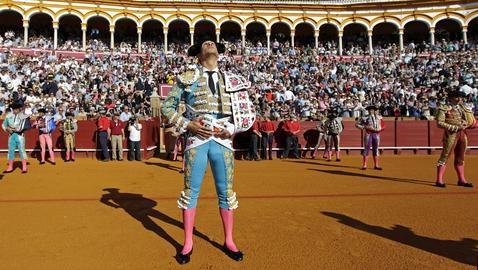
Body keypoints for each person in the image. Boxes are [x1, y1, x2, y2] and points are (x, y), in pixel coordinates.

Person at [161, 39, 254, 264]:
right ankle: (188, 242)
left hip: (223, 141)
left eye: (213, 42)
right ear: (199, 54)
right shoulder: (187, 78)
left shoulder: (233, 80)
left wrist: (231, 128)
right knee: (190, 192)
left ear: (219, 53)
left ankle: (229, 240)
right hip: (196, 139)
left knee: (226, 192)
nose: (210, 43)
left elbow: (247, 113)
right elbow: (166, 107)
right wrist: (189, 125)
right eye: (205, 43)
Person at [435, 91, 476, 188]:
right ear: (451, 98)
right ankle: (439, 180)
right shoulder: (443, 108)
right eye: (457, 97)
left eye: (461, 97)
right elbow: (439, 123)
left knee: (460, 157)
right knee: (445, 156)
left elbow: (470, 121)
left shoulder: (463, 108)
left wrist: (467, 124)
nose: (460, 99)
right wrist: (454, 128)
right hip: (451, 134)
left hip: (462, 134)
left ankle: (462, 180)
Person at [2, 103, 30, 173]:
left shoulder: (23, 116)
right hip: (11, 136)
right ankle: (10, 167)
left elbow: (25, 127)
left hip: (20, 136)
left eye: (17, 109)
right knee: (11, 150)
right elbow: (3, 125)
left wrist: (13, 129)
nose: (15, 110)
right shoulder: (9, 116)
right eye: (14, 109)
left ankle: (24, 167)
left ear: (19, 109)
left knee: (22, 150)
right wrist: (7, 129)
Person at [356, 105, 385, 170]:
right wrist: (365, 127)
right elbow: (357, 124)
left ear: (374, 110)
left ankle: (376, 165)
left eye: (372, 110)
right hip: (368, 134)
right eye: (369, 110)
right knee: (366, 149)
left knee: (376, 149)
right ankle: (364, 165)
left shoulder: (379, 117)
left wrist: (380, 129)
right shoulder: (364, 117)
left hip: (376, 134)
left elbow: (383, 125)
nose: (370, 111)